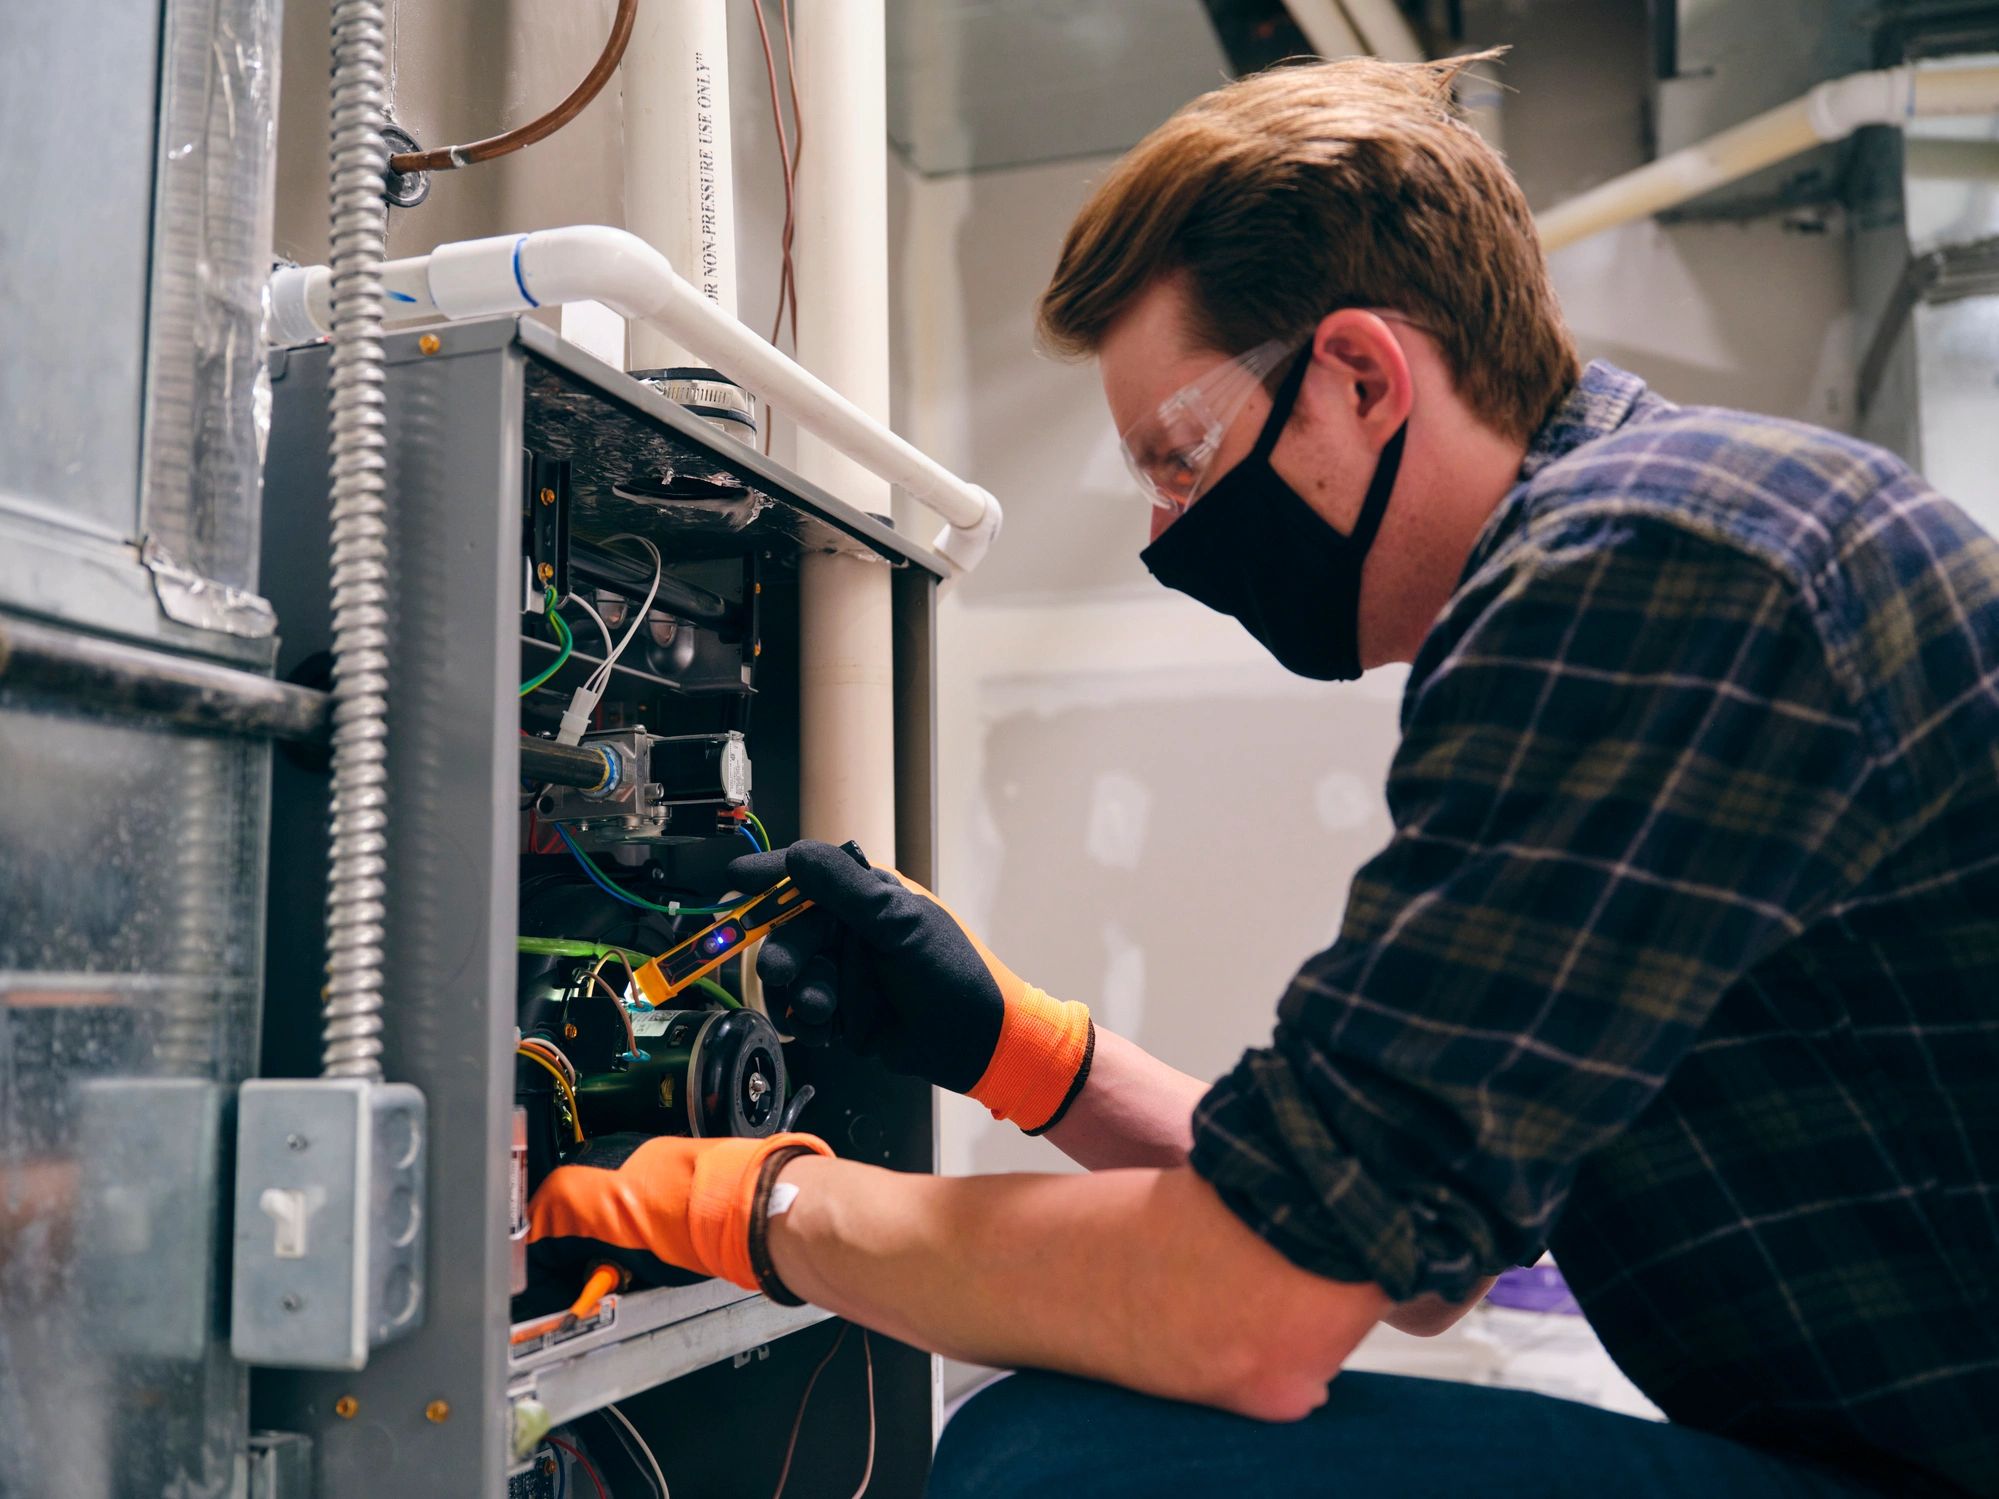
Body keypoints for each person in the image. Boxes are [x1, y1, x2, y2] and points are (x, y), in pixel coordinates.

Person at [527, 54, 1999, 1498]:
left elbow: (1249, 1318)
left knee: (1060, 1466)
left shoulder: (1646, 575)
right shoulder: (1660, 548)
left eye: (1181, 457)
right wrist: (1028, 1054)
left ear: (1360, 374)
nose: (1171, 533)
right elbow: (1404, 1261)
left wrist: (761, 1202)